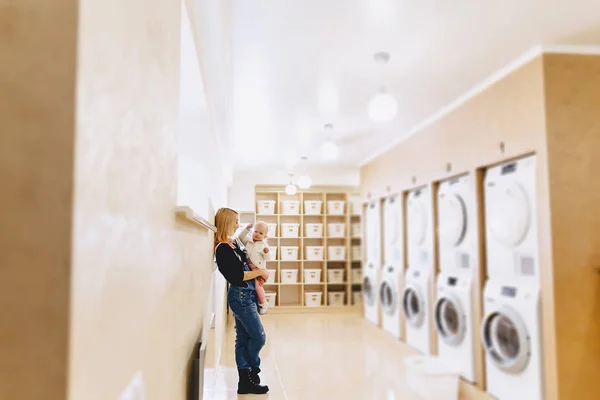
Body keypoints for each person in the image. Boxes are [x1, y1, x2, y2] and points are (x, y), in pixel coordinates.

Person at [214, 208, 270, 395]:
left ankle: (244, 382)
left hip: (248, 294)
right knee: (259, 337)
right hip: (240, 297)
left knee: (243, 338)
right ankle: (254, 368)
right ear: (226, 222)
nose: (238, 225)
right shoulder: (222, 249)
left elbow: (249, 259)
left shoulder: (231, 244)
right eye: (236, 221)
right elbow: (238, 276)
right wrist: (261, 273)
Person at [234, 221, 272, 314]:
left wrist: (266, 252)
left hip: (257, 268)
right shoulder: (249, 241)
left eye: (261, 233)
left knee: (257, 286)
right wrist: (246, 229)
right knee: (251, 287)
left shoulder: (264, 245)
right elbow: (240, 237)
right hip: (248, 266)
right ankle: (256, 303)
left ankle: (263, 303)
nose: (257, 234)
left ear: (265, 237)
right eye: (255, 231)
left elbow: (268, 258)